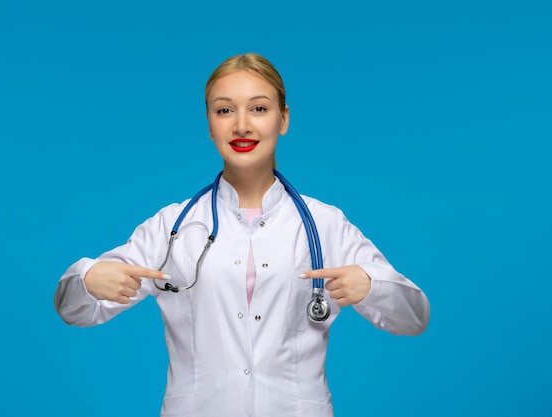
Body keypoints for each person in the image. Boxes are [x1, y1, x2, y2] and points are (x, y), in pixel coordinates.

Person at [54, 52, 430, 417]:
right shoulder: (174, 225)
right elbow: (75, 311)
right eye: (224, 110)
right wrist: (87, 279)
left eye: (259, 108)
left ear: (283, 119)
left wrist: (372, 285)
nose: (242, 126)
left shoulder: (325, 224)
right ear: (209, 124)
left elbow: (414, 318)